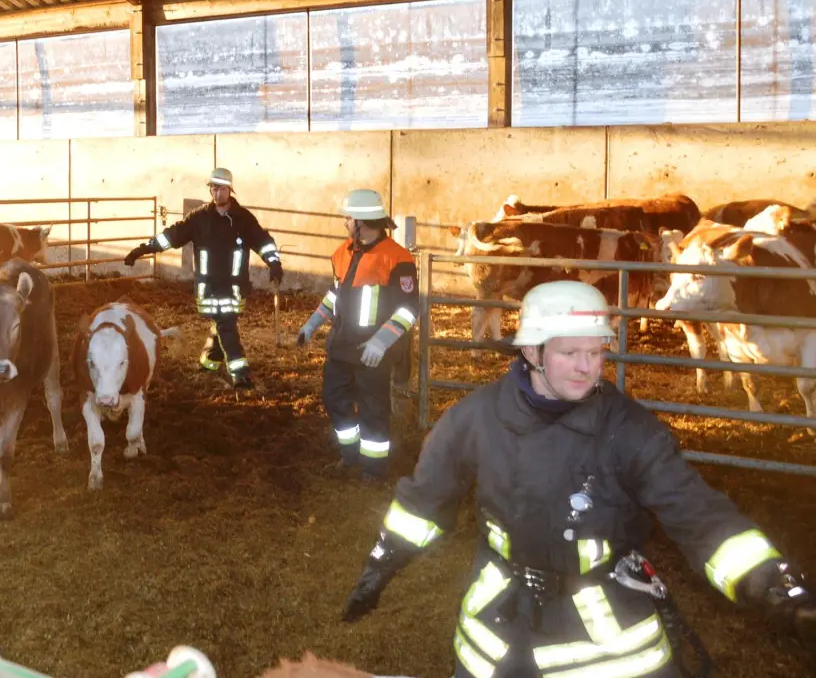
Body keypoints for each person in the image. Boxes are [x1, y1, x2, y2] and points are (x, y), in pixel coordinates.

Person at [341, 280, 816, 677]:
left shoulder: (627, 429)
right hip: (498, 628)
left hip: (609, 643)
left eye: (596, 352)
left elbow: (695, 511)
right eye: (570, 352)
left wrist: (773, 584)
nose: (587, 367)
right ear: (531, 350)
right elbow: (423, 502)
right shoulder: (474, 419)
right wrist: (381, 564)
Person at [124, 167, 283, 390]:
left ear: (230, 190)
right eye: (213, 188)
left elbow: (262, 240)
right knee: (225, 325)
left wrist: (274, 262)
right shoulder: (199, 218)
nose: (216, 193)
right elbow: (172, 235)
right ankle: (233, 371)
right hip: (208, 289)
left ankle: (222, 367)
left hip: (234, 288)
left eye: (221, 189)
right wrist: (142, 250)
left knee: (224, 324)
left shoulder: (243, 219)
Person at [297, 189, 415, 480]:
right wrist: (311, 325)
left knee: (373, 409)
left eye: (348, 217)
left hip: (373, 352)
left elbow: (408, 310)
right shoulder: (342, 253)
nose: (345, 223)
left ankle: (372, 469)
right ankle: (349, 457)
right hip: (341, 347)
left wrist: (381, 341)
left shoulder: (397, 259)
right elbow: (334, 296)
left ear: (362, 221)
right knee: (334, 399)